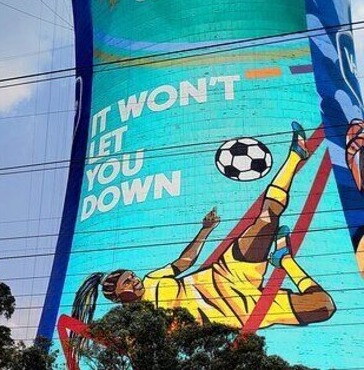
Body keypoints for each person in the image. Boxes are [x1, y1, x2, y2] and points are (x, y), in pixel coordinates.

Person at [71, 122, 335, 331]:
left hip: (225, 274)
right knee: (323, 306)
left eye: (131, 276)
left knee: (267, 219)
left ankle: (294, 157)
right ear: (117, 297)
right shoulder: (138, 324)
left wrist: (205, 230)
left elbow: (183, 263)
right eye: (127, 283)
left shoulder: (152, 280)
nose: (134, 280)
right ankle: (285, 260)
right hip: (239, 312)